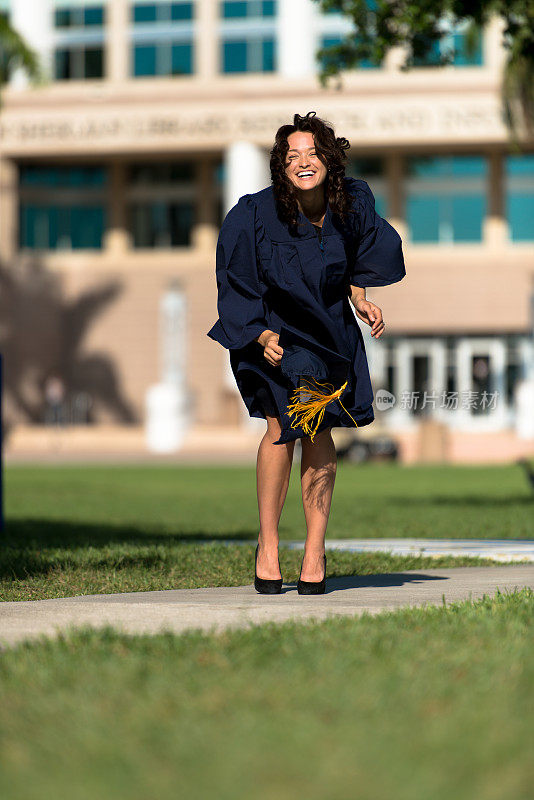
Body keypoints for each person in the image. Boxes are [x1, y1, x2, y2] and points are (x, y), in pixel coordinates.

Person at [207, 111, 406, 594]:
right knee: (281, 427)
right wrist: (257, 335)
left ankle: (315, 549)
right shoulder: (253, 214)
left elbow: (360, 255)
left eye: (312, 153)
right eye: (292, 156)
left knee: (318, 428)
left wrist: (360, 299)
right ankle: (269, 544)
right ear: (281, 167)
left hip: (329, 332)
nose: (303, 162)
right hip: (275, 332)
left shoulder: (351, 204)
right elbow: (235, 278)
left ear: (329, 160)